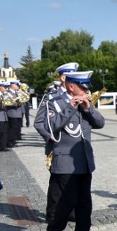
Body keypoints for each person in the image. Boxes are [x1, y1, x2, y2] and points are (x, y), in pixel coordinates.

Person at [44, 70, 105, 231]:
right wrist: (70, 107)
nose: (86, 91)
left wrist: (88, 108)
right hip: (65, 162)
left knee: (84, 204)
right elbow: (50, 127)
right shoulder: (55, 102)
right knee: (65, 202)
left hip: (84, 161)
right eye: (82, 88)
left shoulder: (86, 103)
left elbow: (100, 123)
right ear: (71, 87)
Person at [34, 63, 79, 222]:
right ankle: (52, 214)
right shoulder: (51, 98)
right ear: (63, 78)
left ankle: (71, 212)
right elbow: (39, 123)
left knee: (74, 181)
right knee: (57, 185)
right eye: (73, 77)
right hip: (57, 146)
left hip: (75, 147)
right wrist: (49, 136)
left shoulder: (80, 96)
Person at [6, 81, 24, 147]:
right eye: (17, 85)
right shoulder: (8, 93)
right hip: (12, 113)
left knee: (16, 128)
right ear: (13, 85)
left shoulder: (16, 92)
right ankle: (9, 142)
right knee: (12, 128)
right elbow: (8, 103)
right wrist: (17, 102)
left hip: (18, 113)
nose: (18, 86)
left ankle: (13, 141)